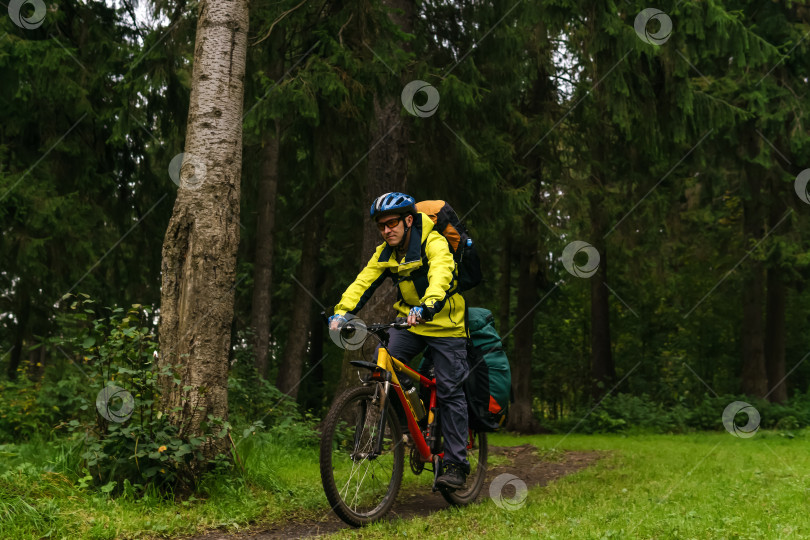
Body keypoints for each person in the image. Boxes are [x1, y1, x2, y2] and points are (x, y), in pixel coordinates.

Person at [328, 192, 470, 489]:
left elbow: (442, 274)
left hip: (444, 324)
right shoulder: (386, 252)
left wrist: (429, 304)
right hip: (410, 323)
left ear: (408, 220)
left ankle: (456, 463)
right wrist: (341, 313)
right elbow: (363, 282)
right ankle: (411, 430)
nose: (386, 230)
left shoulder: (433, 242)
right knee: (383, 369)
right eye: (381, 226)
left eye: (392, 223)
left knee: (449, 390)